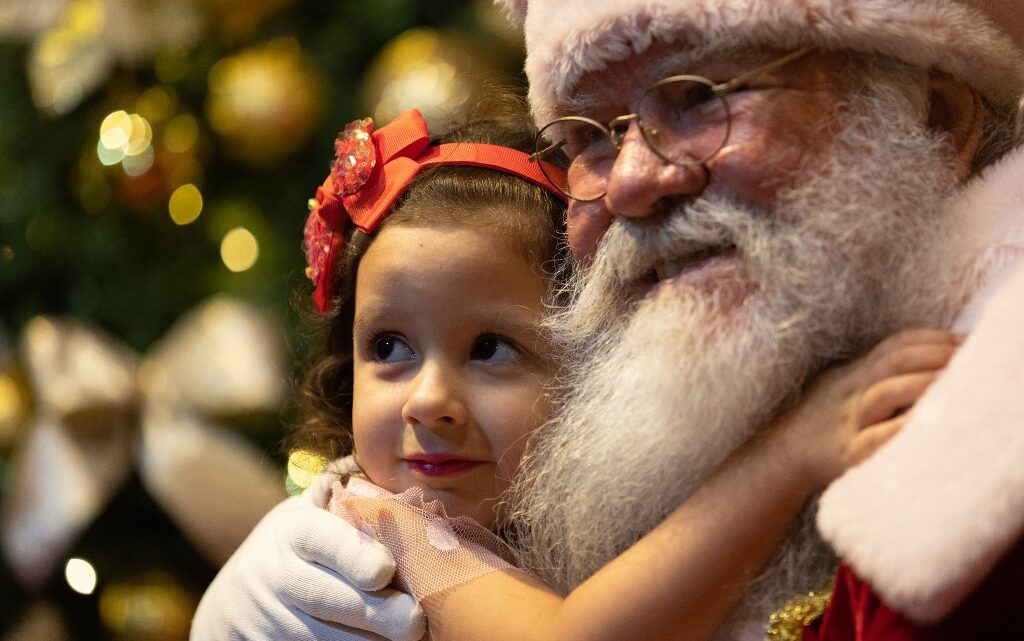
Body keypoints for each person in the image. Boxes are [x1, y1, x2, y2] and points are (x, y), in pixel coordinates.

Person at [192, 1, 1024, 639]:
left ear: (933, 116)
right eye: (589, 136)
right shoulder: (397, 519)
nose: (627, 183)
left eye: (700, 97)